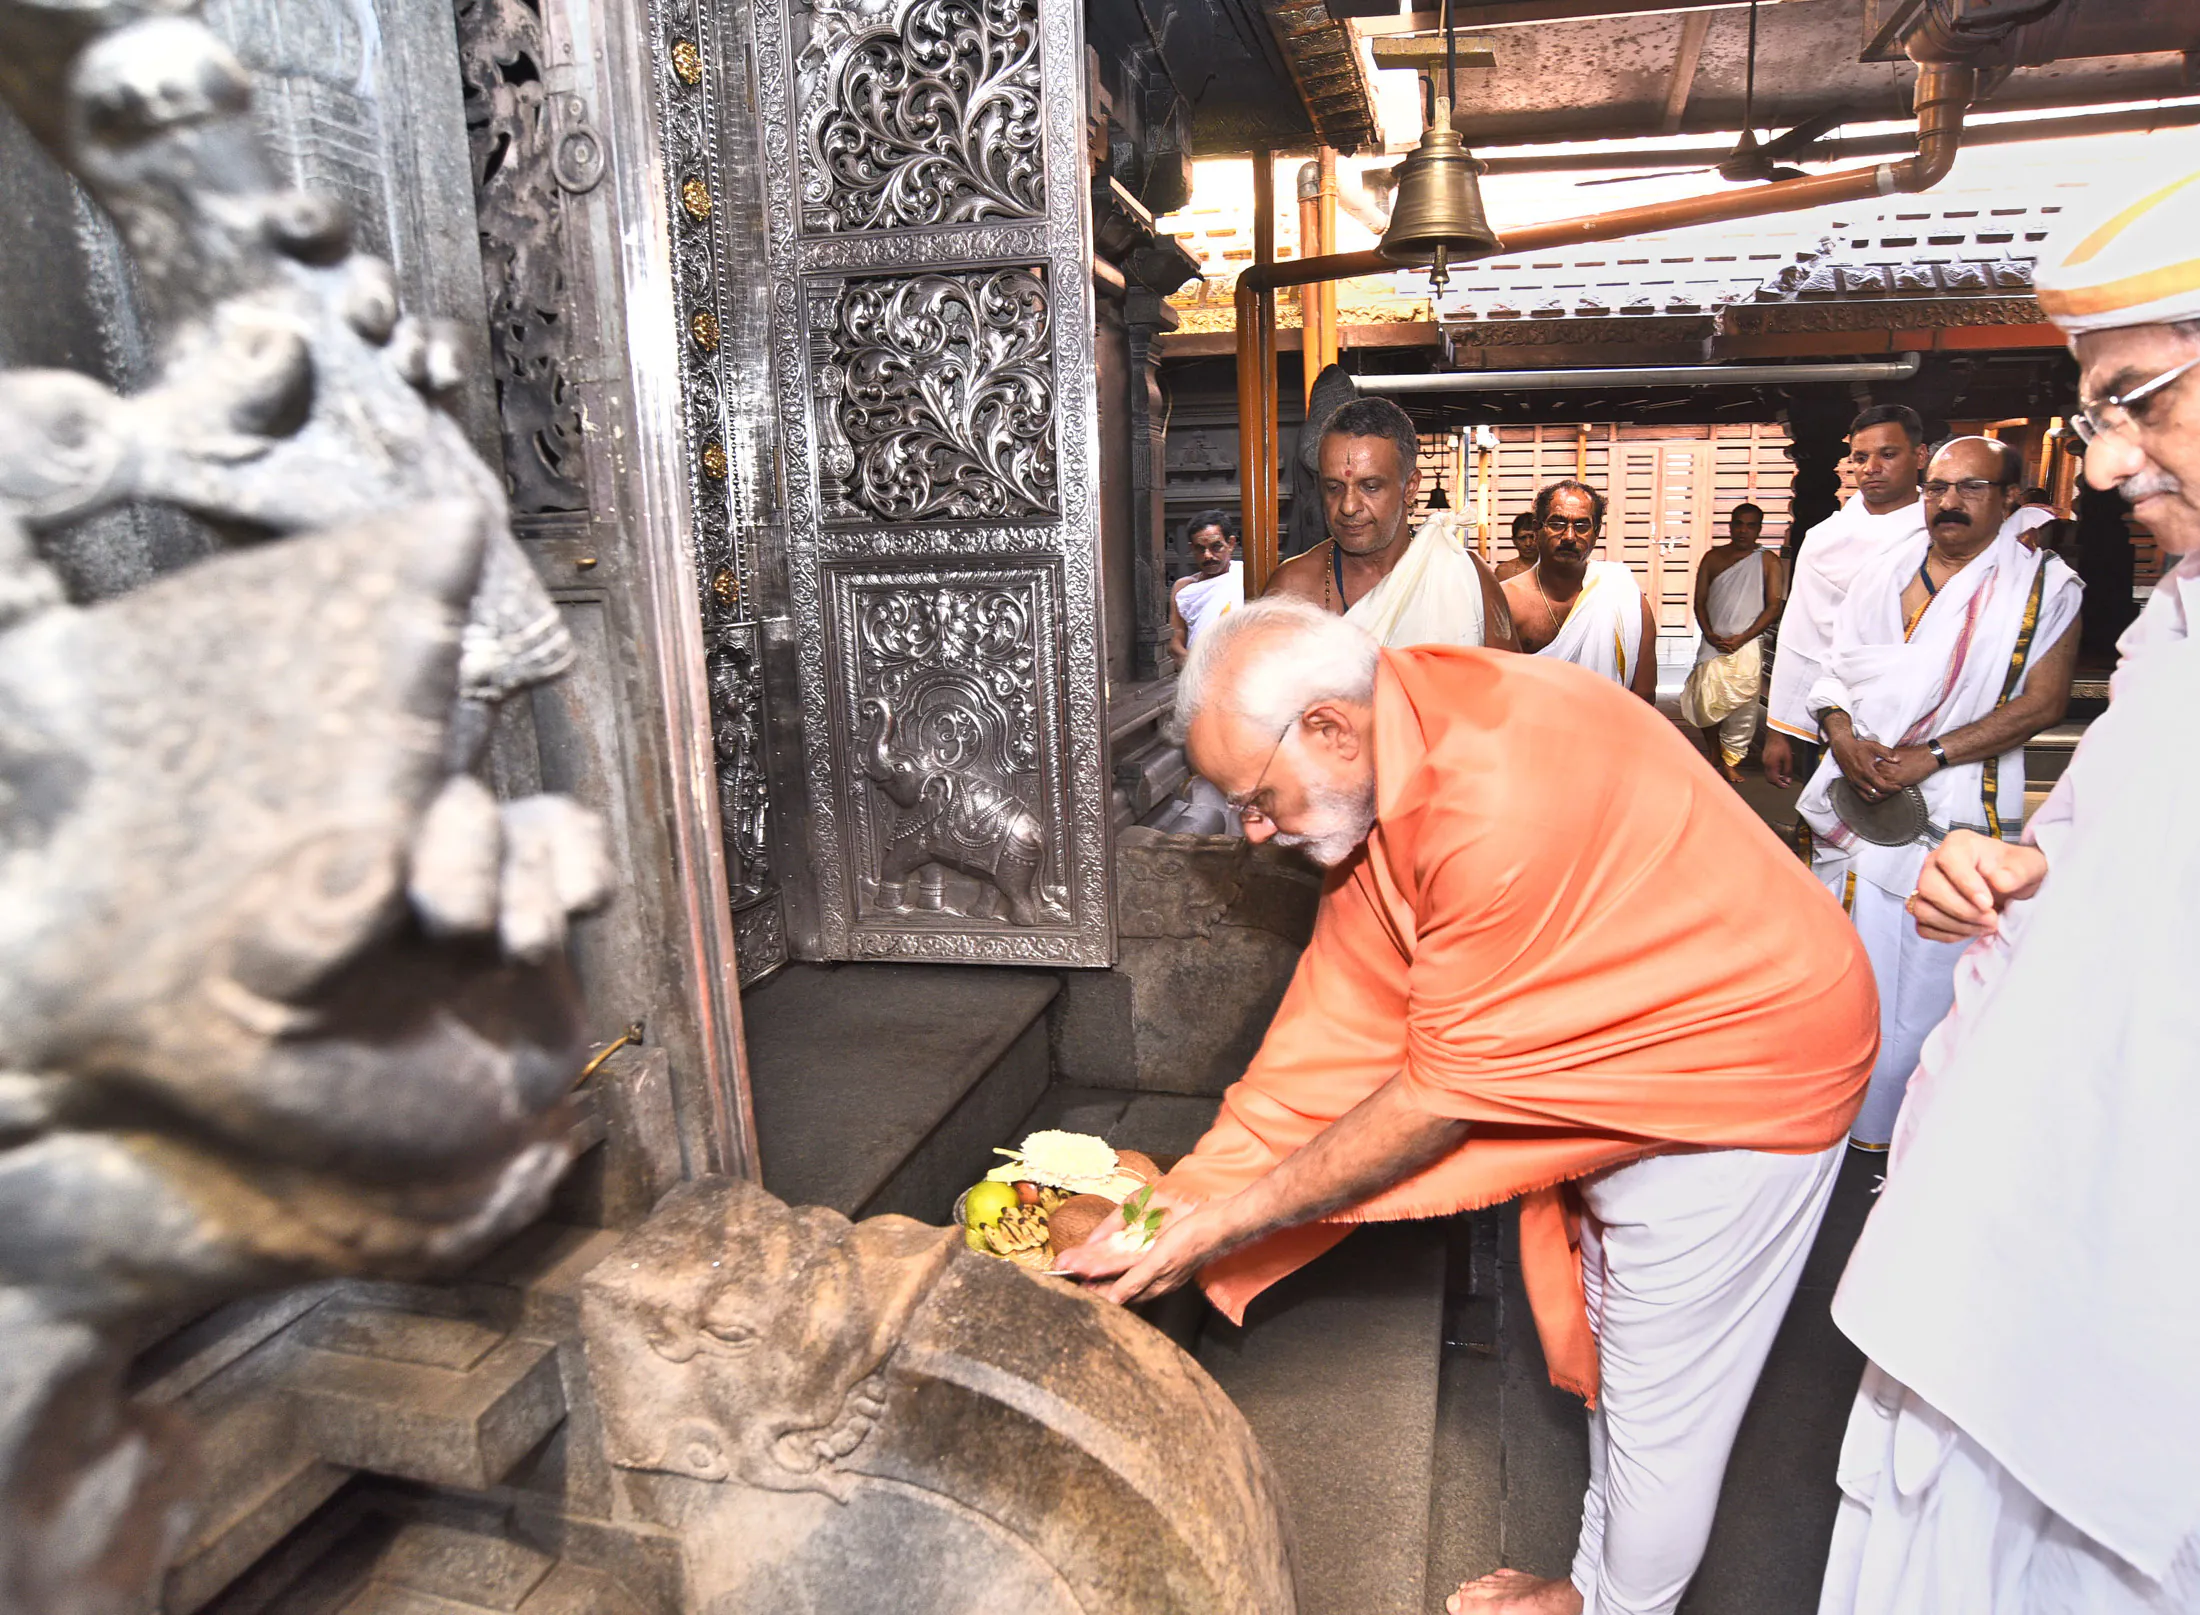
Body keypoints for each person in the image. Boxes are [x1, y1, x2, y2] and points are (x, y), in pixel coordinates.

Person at [1060, 598, 1878, 1615]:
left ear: (1326, 727)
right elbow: (1338, 1031)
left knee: (1663, 1402)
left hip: (1742, 1069)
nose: (1254, 832)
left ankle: (1622, 1606)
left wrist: (1221, 1222)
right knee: (1621, 1341)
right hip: (1645, 1036)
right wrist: (1183, 1201)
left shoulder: (1489, 791)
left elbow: (1435, 1095)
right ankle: (1591, 1584)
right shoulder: (1395, 737)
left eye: (1256, 797)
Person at [1818, 168, 2200, 1613]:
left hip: (2128, 1294)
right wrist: (2037, 868)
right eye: (2093, 414)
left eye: (2135, 399)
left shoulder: (2055, 592)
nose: (2101, 466)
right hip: (2008, 1256)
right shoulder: (2182, 614)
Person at [1795, 435, 2080, 1151]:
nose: (1947, 502)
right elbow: (1834, 670)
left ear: (2010, 497)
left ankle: (1904, 1141)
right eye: (1937, 487)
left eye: (1971, 488)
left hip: (1952, 813)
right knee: (1838, 972)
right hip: (1855, 798)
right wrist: (1837, 731)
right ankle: (1826, 1123)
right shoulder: (1883, 568)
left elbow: (2044, 703)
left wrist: (1933, 754)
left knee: (1928, 992)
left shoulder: (2043, 586)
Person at [1265, 396, 1519, 651]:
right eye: (1333, 488)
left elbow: (1508, 687)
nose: (1348, 506)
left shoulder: (1467, 578)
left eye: (1371, 487)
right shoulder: (1292, 589)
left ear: (1410, 487)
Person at [1762, 407, 1931, 789]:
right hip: (1841, 713)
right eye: (1860, 457)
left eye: (1888, 454)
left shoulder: (1944, 532)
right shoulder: (1825, 539)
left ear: (1920, 456)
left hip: (1930, 712)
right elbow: (1800, 637)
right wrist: (1779, 731)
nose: (1871, 467)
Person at [1501, 478, 1658, 702]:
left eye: (1582, 526)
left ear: (1596, 532)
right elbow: (1498, 690)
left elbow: (1644, 694)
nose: (1569, 536)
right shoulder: (1508, 600)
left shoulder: (1623, 594)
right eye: (1557, 524)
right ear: (1537, 528)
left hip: (1608, 730)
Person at [1680, 502, 1785, 782]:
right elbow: (1700, 601)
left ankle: (1730, 759)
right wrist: (1709, 633)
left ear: (1759, 529)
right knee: (1704, 699)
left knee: (1742, 705)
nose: (1743, 530)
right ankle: (1714, 752)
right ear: (1730, 525)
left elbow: (1773, 607)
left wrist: (1742, 638)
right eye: (1739, 524)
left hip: (1746, 643)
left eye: (1751, 525)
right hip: (1714, 642)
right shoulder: (1713, 558)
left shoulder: (1768, 561)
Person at [1169, 510, 1244, 662]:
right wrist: (1193, 664)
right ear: (1192, 548)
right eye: (1200, 549)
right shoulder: (1184, 588)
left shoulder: (1247, 576)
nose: (1207, 555)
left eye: (1216, 547)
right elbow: (1175, 637)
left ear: (1231, 543)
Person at [1493, 509, 1540, 581]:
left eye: (1532, 537)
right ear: (1514, 541)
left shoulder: (1554, 569)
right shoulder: (1504, 571)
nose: (1528, 543)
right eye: (1522, 538)